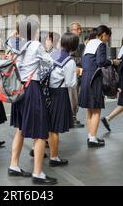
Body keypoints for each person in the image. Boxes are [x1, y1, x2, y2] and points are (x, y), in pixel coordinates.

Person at [8, 20, 57, 185]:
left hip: (18, 90)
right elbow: (50, 63)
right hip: (32, 89)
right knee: (41, 132)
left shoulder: (15, 45)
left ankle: (13, 165)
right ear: (35, 32)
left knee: (20, 129)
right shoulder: (36, 45)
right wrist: (48, 49)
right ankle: (38, 173)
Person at [79, 25, 119, 148]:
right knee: (96, 109)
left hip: (86, 78)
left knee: (90, 110)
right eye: (107, 37)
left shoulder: (89, 44)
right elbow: (101, 62)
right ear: (104, 34)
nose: (107, 39)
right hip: (94, 79)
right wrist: (112, 62)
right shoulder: (101, 44)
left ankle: (91, 136)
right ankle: (92, 138)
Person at [47, 33, 79, 167]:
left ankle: (36, 149)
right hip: (59, 94)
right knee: (54, 128)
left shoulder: (53, 54)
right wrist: (77, 73)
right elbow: (71, 84)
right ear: (74, 46)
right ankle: (54, 158)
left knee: (47, 124)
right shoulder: (70, 61)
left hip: (46, 92)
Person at [69, 22, 86, 128]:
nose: (80, 31)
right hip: (73, 72)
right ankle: (72, 118)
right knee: (73, 96)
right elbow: (69, 58)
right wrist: (83, 60)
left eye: (80, 29)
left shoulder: (78, 42)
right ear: (72, 31)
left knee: (76, 95)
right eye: (77, 29)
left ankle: (73, 116)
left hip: (78, 71)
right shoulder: (71, 42)